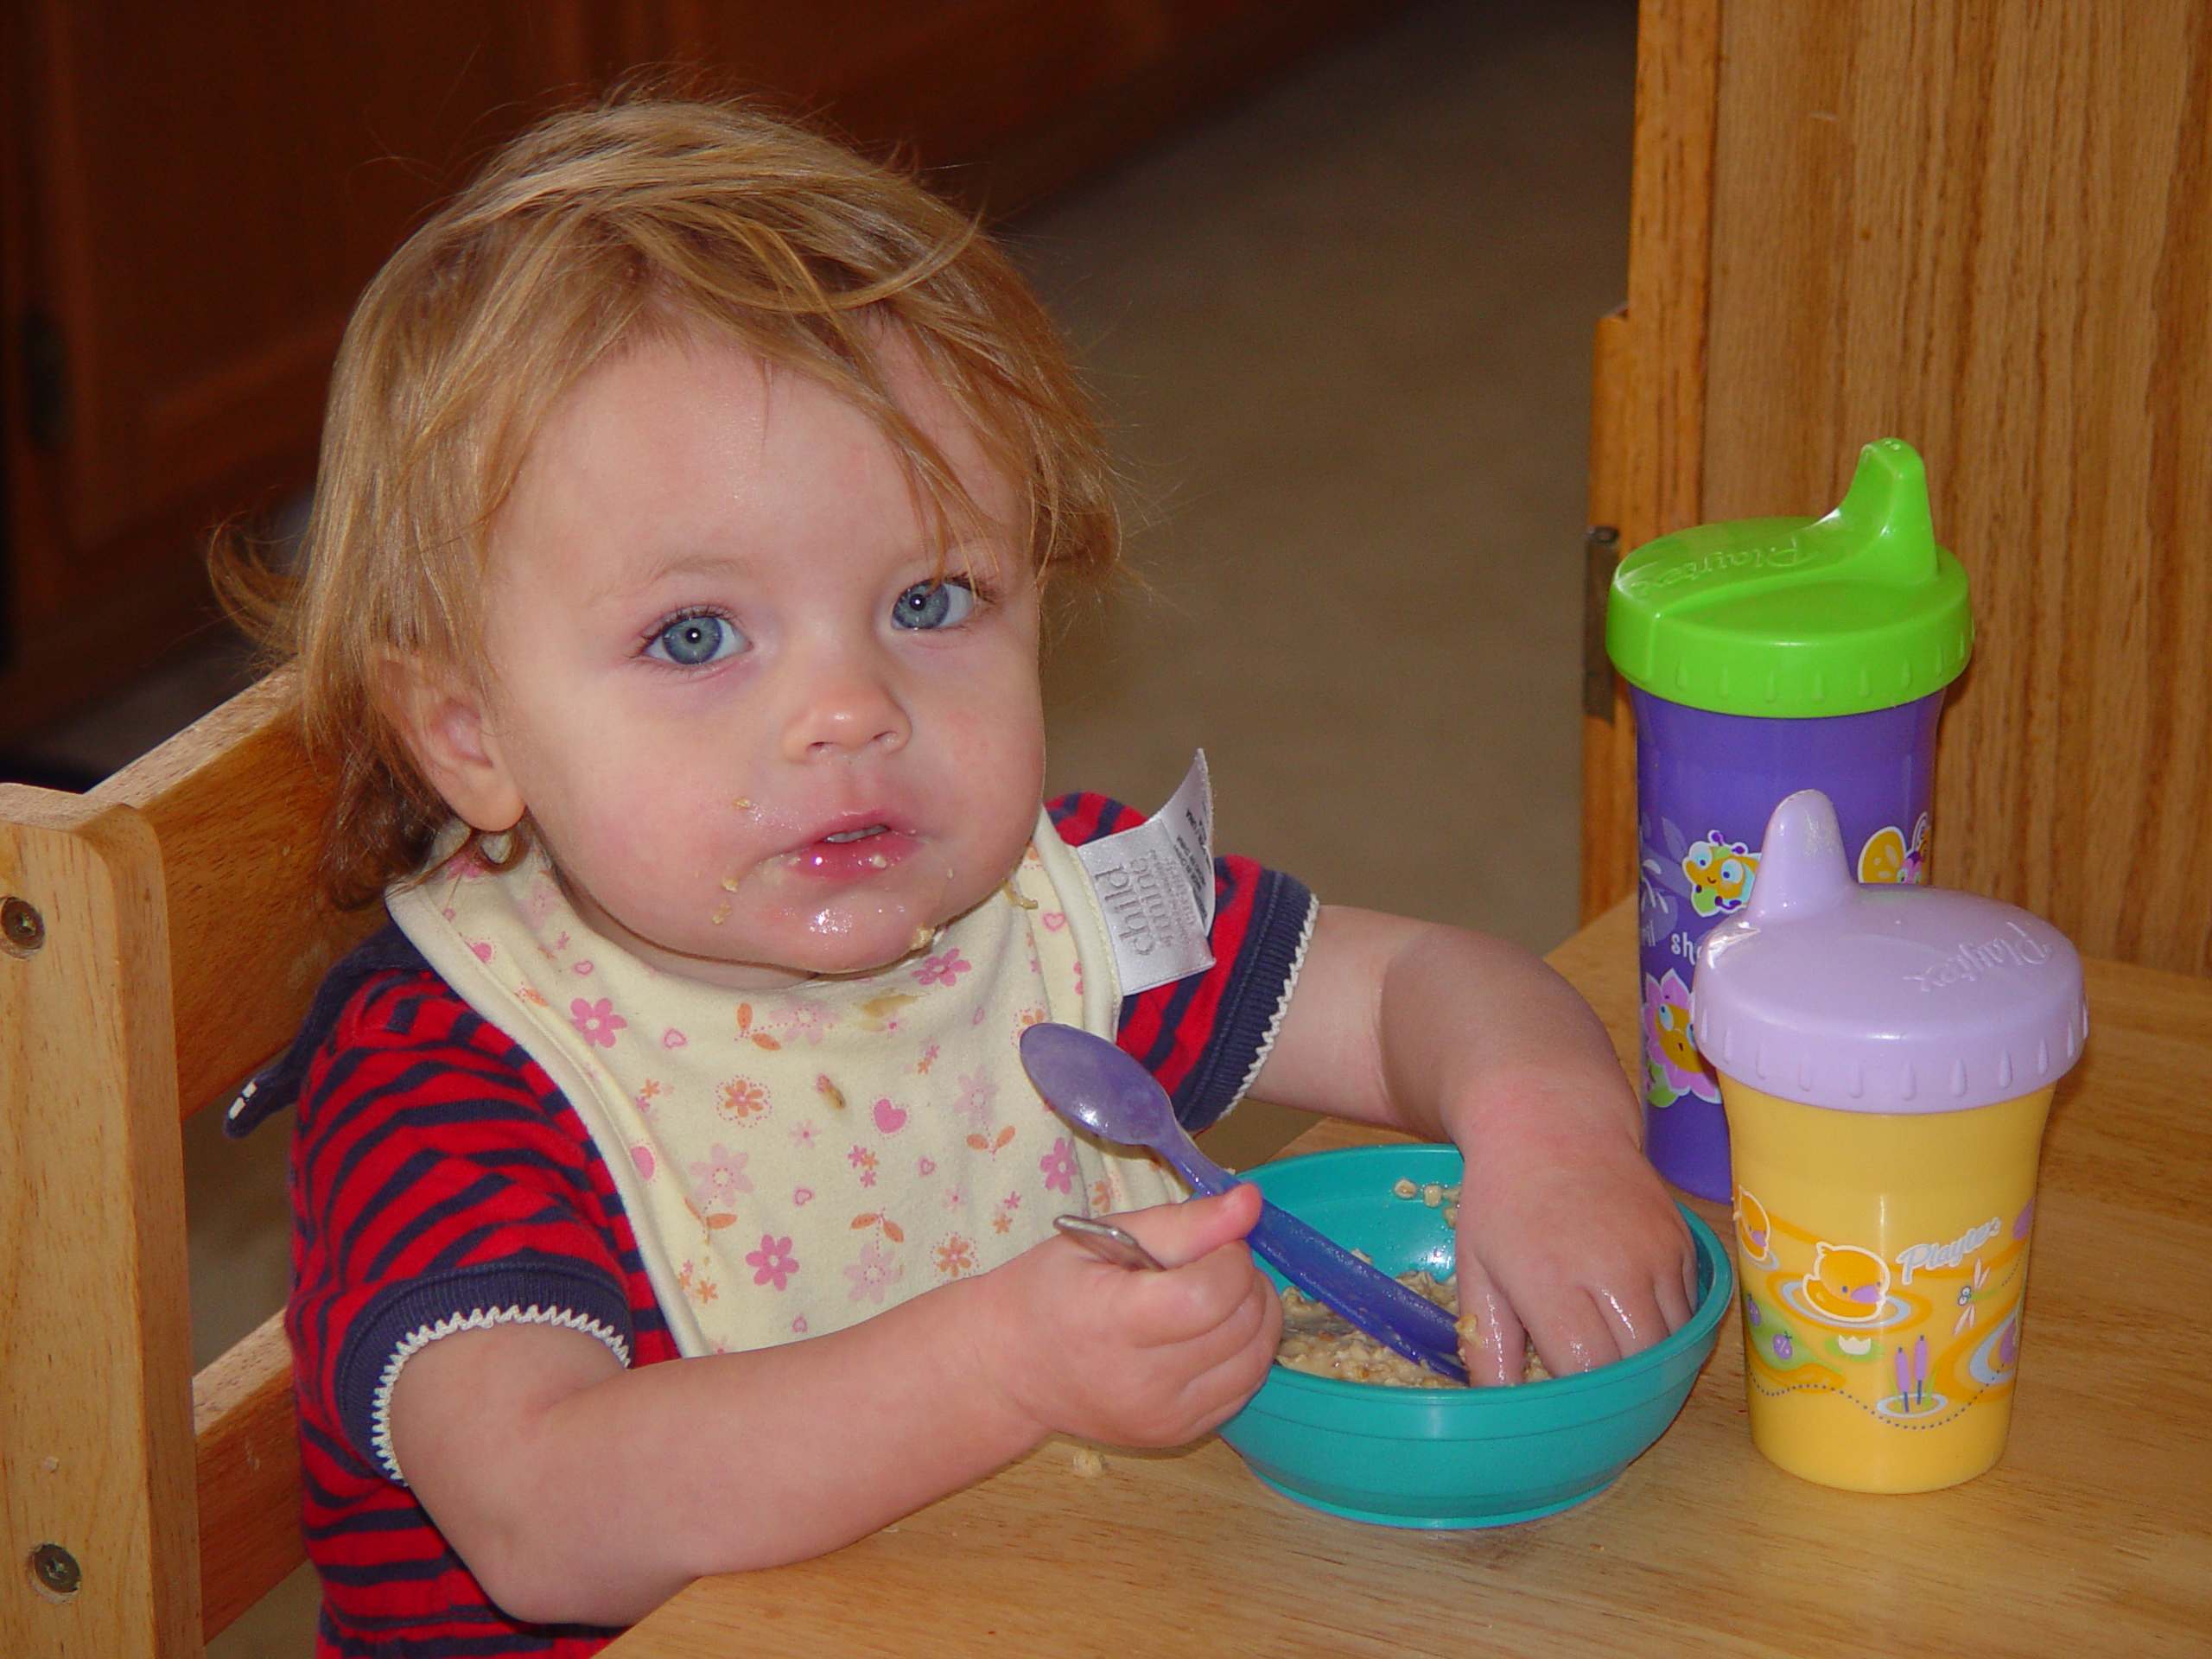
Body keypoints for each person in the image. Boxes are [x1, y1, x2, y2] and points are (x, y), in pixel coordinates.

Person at [219, 95, 1697, 1657]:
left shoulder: (1062, 913)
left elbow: (1418, 988)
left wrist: (1553, 1135)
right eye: (698, 636)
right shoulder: (452, 1070)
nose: (849, 708)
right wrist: (1002, 1366)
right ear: (466, 732)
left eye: (931, 599)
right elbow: (544, 1517)